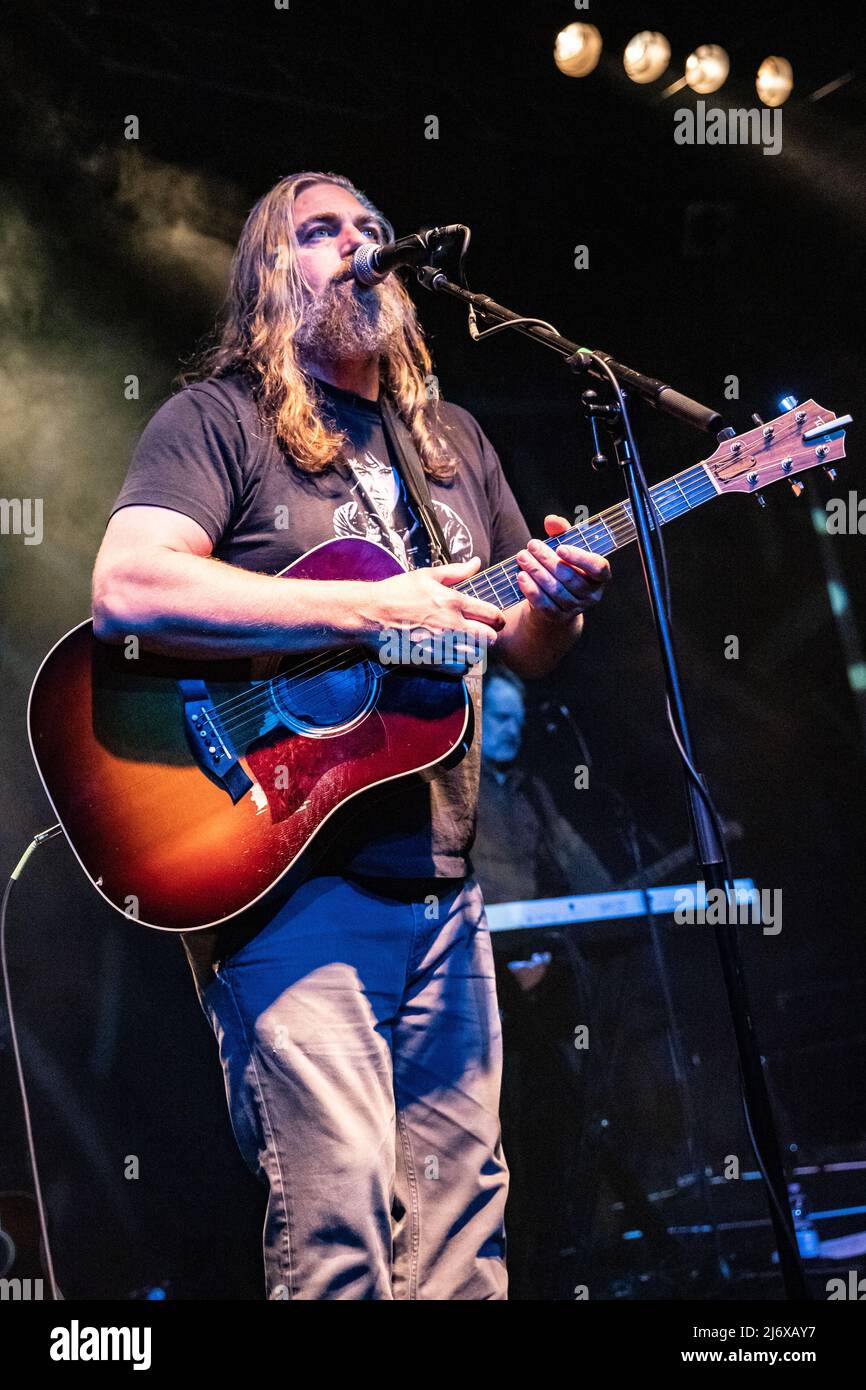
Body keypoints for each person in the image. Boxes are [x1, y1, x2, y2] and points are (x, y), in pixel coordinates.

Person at [91, 170, 611, 1300]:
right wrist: (374, 605)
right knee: (340, 1239)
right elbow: (128, 587)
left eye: (372, 229)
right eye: (321, 232)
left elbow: (517, 641)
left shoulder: (451, 442)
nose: (359, 245)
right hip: (283, 878)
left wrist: (557, 601)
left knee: (465, 1248)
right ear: (270, 275)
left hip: (441, 883)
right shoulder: (219, 420)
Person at [474, 662, 612, 903]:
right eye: (502, 718)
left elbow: (571, 853)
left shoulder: (531, 790)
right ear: (475, 718)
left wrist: (614, 902)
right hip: (475, 932)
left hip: (535, 935)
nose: (513, 730)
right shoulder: (452, 786)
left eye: (519, 721)